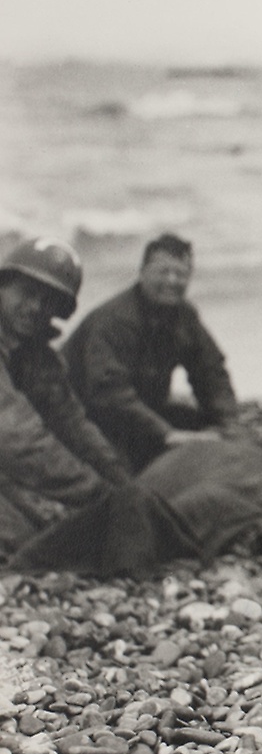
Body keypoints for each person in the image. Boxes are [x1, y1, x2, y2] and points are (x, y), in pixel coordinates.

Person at [62, 233, 238, 471]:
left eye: (181, 274)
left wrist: (226, 424)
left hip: (139, 412)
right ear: (143, 271)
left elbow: (211, 371)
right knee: (121, 476)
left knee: (212, 433)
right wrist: (165, 434)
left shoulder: (184, 316)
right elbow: (108, 393)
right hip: (84, 415)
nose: (172, 280)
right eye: (163, 271)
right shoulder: (114, 320)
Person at [0, 237, 131, 556]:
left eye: (48, 301)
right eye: (27, 293)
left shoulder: (33, 354)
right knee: (21, 545)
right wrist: (97, 492)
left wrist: (125, 485)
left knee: (39, 537)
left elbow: (72, 423)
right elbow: (18, 440)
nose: (35, 308)